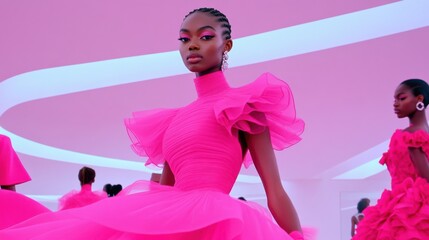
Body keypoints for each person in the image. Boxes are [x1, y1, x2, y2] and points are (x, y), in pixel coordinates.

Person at [0, 8, 311, 239]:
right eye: (184, 39)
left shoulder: (245, 106)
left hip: (221, 223)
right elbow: (165, 190)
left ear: (226, 45)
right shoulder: (173, 122)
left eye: (205, 37)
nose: (192, 46)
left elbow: (275, 190)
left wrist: (295, 237)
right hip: (171, 221)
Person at [353, 79, 429, 239]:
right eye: (395, 99)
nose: (395, 104)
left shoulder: (410, 135)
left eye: (401, 99)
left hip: (409, 208)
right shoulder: (421, 133)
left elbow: (426, 177)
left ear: (420, 99)